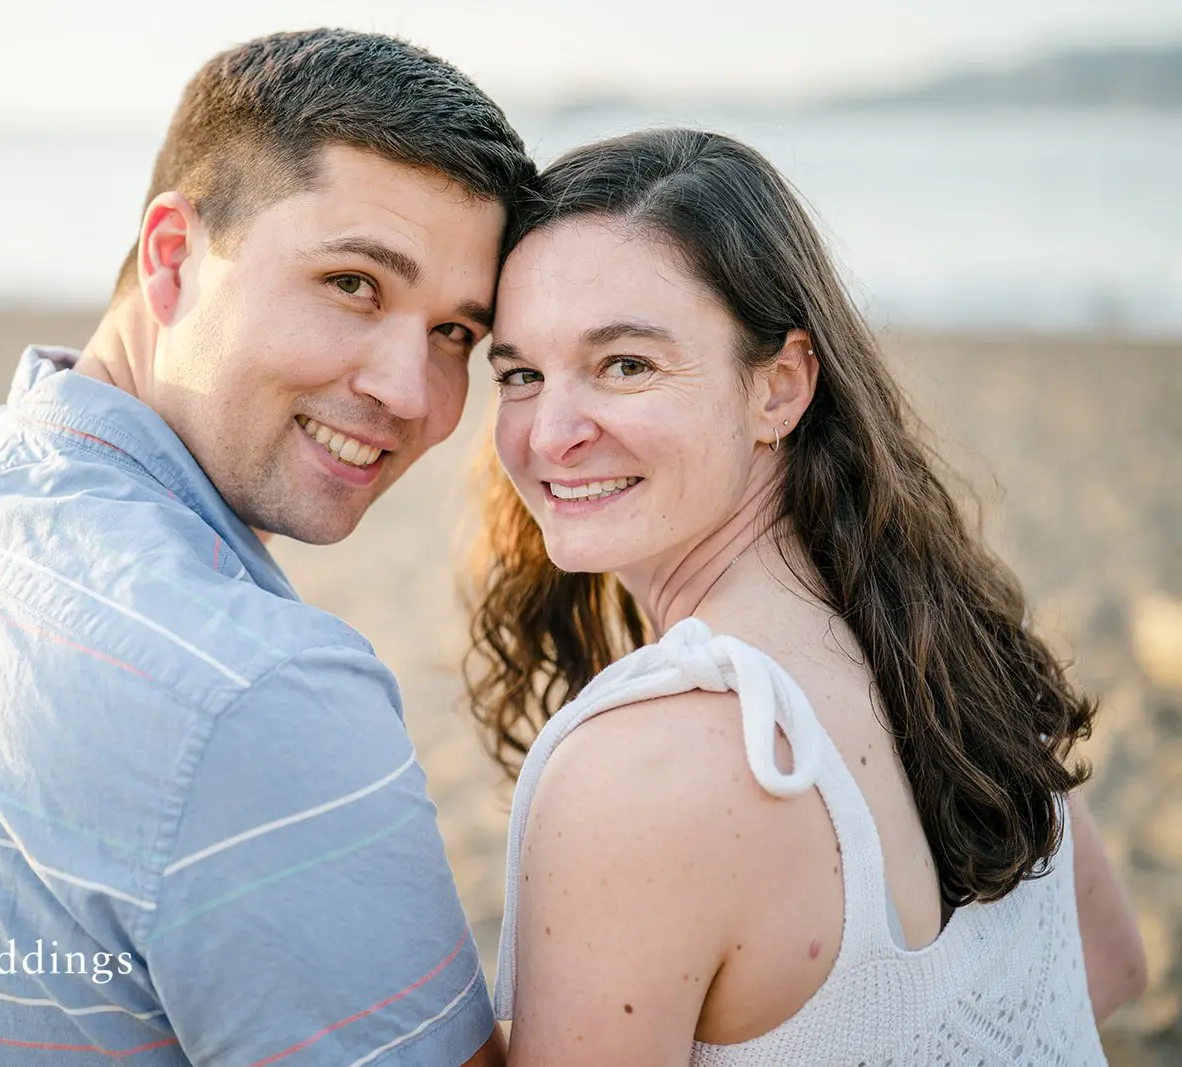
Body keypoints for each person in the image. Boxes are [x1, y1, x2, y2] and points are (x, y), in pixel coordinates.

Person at [0, 29, 536, 1065]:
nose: (412, 392)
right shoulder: (254, 689)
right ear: (171, 257)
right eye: (353, 284)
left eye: (456, 332)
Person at [464, 128, 1148, 1065]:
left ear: (780, 387)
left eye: (626, 364)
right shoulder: (948, 628)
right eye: (520, 375)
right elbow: (1106, 963)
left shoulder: (645, 770)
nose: (550, 434)